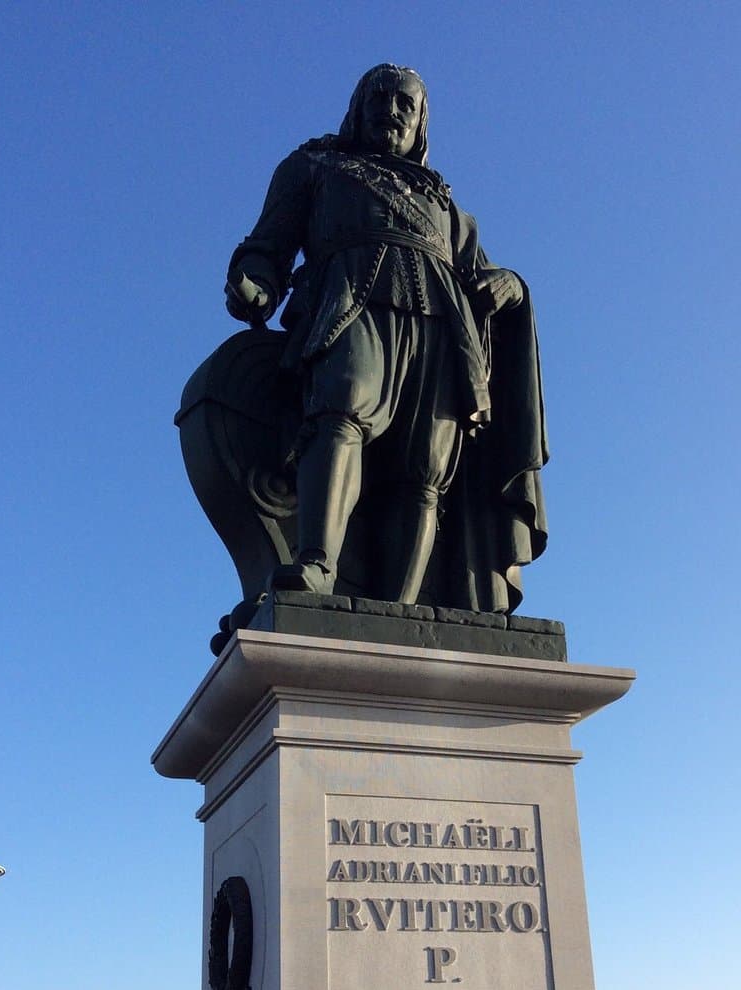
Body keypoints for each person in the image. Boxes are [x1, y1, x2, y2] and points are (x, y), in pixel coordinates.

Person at [225, 63, 548, 609]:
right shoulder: (314, 166)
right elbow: (269, 242)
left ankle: (400, 606)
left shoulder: (444, 203)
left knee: (426, 469)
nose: (390, 110)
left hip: (444, 331)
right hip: (350, 305)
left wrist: (512, 285)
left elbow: (481, 271)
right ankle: (316, 566)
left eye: (405, 104)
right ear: (357, 108)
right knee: (341, 410)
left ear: (422, 122)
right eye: (379, 99)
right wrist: (256, 280)